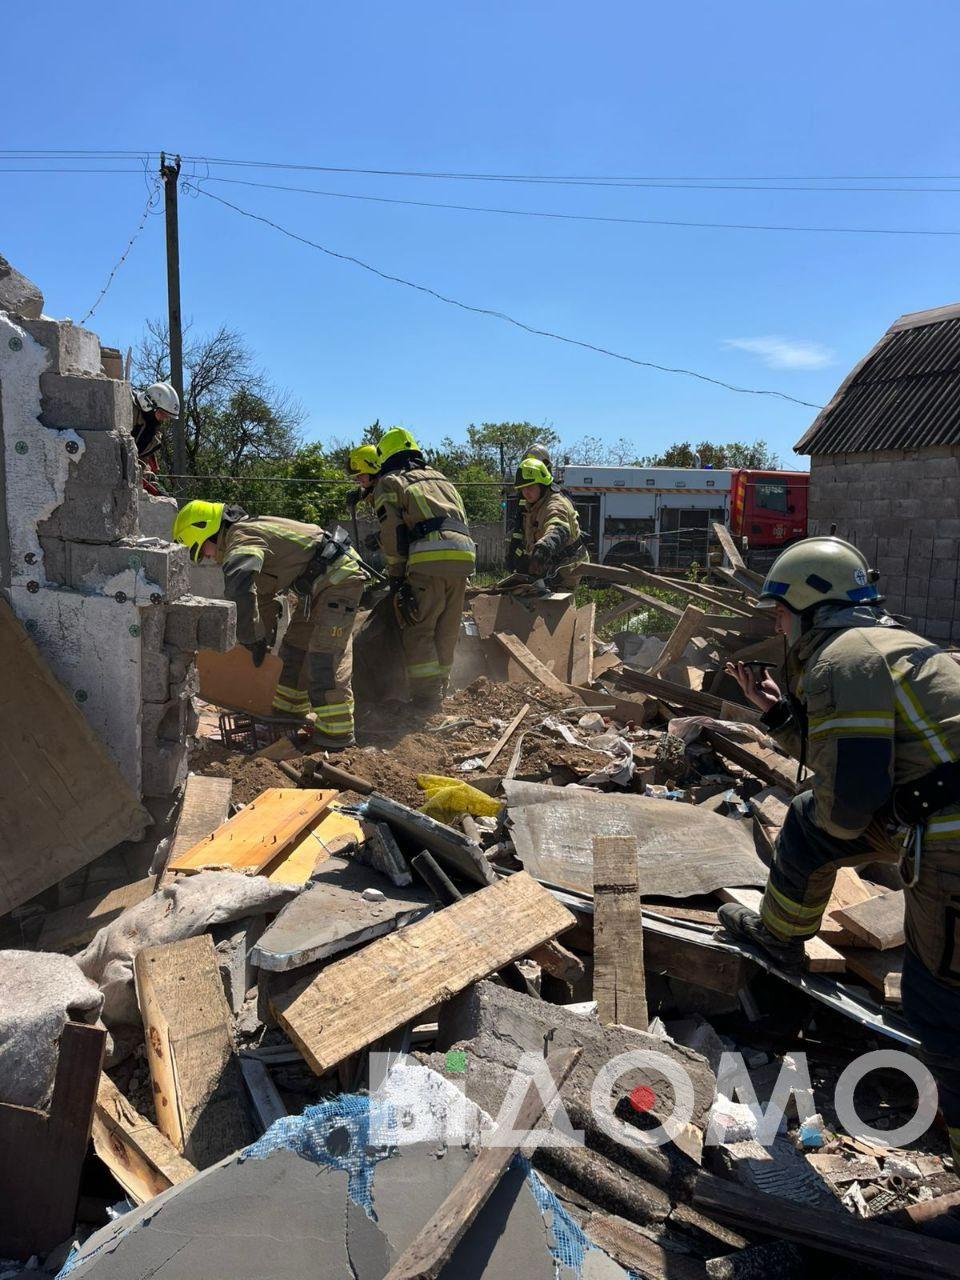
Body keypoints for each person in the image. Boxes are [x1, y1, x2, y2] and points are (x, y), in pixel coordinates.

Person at [716, 535, 960, 1167]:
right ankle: (781, 934)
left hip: (948, 837)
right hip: (927, 810)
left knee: (941, 1008)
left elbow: (849, 804)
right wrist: (780, 717)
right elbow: (857, 761)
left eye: (780, 613)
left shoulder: (841, 660)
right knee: (807, 821)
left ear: (808, 605)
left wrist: (833, 817)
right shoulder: (886, 646)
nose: (777, 626)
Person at [172, 500, 371, 748]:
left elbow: (240, 589)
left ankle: (336, 736)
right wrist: (259, 640)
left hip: (341, 579)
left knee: (324, 659)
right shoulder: (250, 535)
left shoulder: (242, 537)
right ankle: (287, 717)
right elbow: (261, 597)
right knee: (294, 651)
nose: (209, 558)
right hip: (319, 584)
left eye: (203, 550)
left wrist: (248, 637)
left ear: (206, 530)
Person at [372, 427, 475, 714]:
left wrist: (396, 577)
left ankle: (426, 699)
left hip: (429, 558)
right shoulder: (442, 478)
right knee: (447, 628)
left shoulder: (390, 482)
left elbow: (393, 532)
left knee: (419, 628)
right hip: (464, 557)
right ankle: (441, 688)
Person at [513, 457, 589, 590]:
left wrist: (544, 547)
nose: (526, 492)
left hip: (567, 566)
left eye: (530, 487)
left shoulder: (555, 504)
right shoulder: (535, 505)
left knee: (558, 599)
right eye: (523, 488)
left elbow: (559, 528)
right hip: (551, 565)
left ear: (542, 485)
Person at [507, 443, 553, 572]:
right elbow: (519, 524)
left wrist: (543, 548)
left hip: (551, 560)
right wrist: (514, 551)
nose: (526, 491)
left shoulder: (554, 497)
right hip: (533, 554)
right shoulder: (526, 495)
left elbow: (557, 526)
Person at [131, 381, 180, 495]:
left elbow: (141, 459)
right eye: (162, 414)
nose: (164, 419)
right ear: (149, 404)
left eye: (167, 416)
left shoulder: (152, 434)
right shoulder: (127, 412)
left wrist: (148, 477)